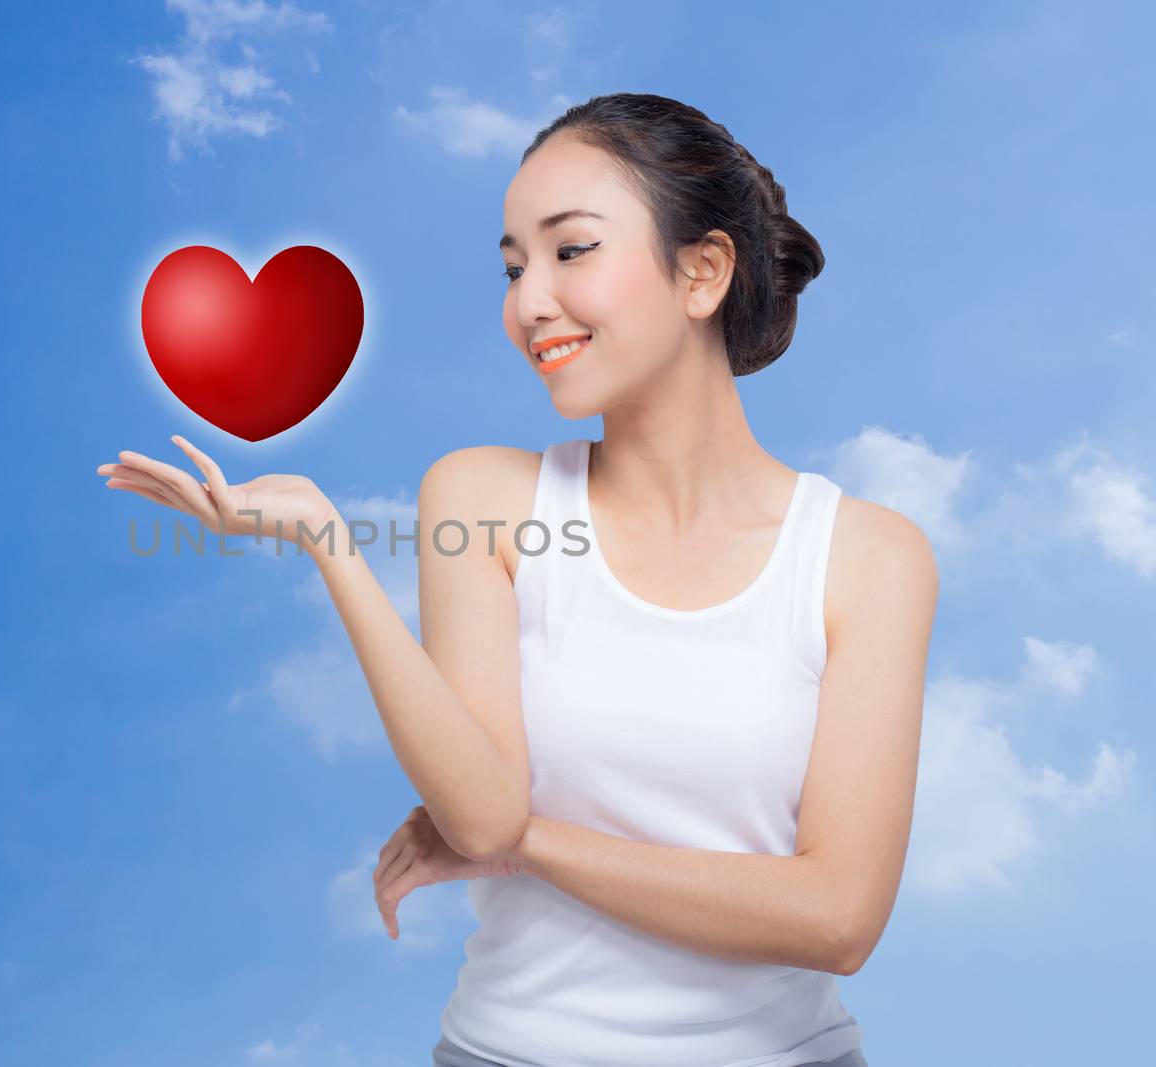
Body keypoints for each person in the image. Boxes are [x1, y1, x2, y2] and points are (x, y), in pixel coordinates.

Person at [97, 91, 934, 1067]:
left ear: (701, 271)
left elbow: (837, 917)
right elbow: (480, 812)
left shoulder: (867, 555)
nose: (527, 302)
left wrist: (529, 844)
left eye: (569, 249)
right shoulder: (484, 498)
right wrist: (332, 542)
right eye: (510, 267)